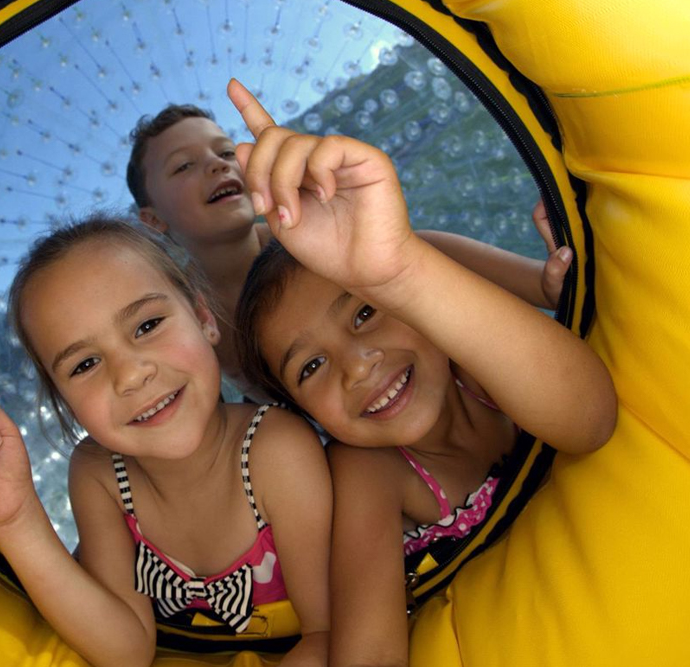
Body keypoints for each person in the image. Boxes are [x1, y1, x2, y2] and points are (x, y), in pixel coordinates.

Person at [227, 79, 617, 667]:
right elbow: (369, 654)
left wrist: (399, 271)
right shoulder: (369, 470)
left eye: (366, 312)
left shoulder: (481, 364)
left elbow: (591, 419)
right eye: (311, 367)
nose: (358, 365)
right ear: (306, 413)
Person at [0, 216, 331, 667]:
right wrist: (16, 519)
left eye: (147, 325)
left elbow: (328, 634)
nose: (131, 375)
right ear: (65, 404)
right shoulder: (100, 474)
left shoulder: (277, 451)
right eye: (85, 365)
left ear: (203, 318)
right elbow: (126, 652)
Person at [126, 105, 571, 394]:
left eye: (226, 152)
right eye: (184, 166)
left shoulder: (301, 234)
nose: (216, 164)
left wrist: (540, 284)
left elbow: (416, 256)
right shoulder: (181, 320)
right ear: (153, 219)